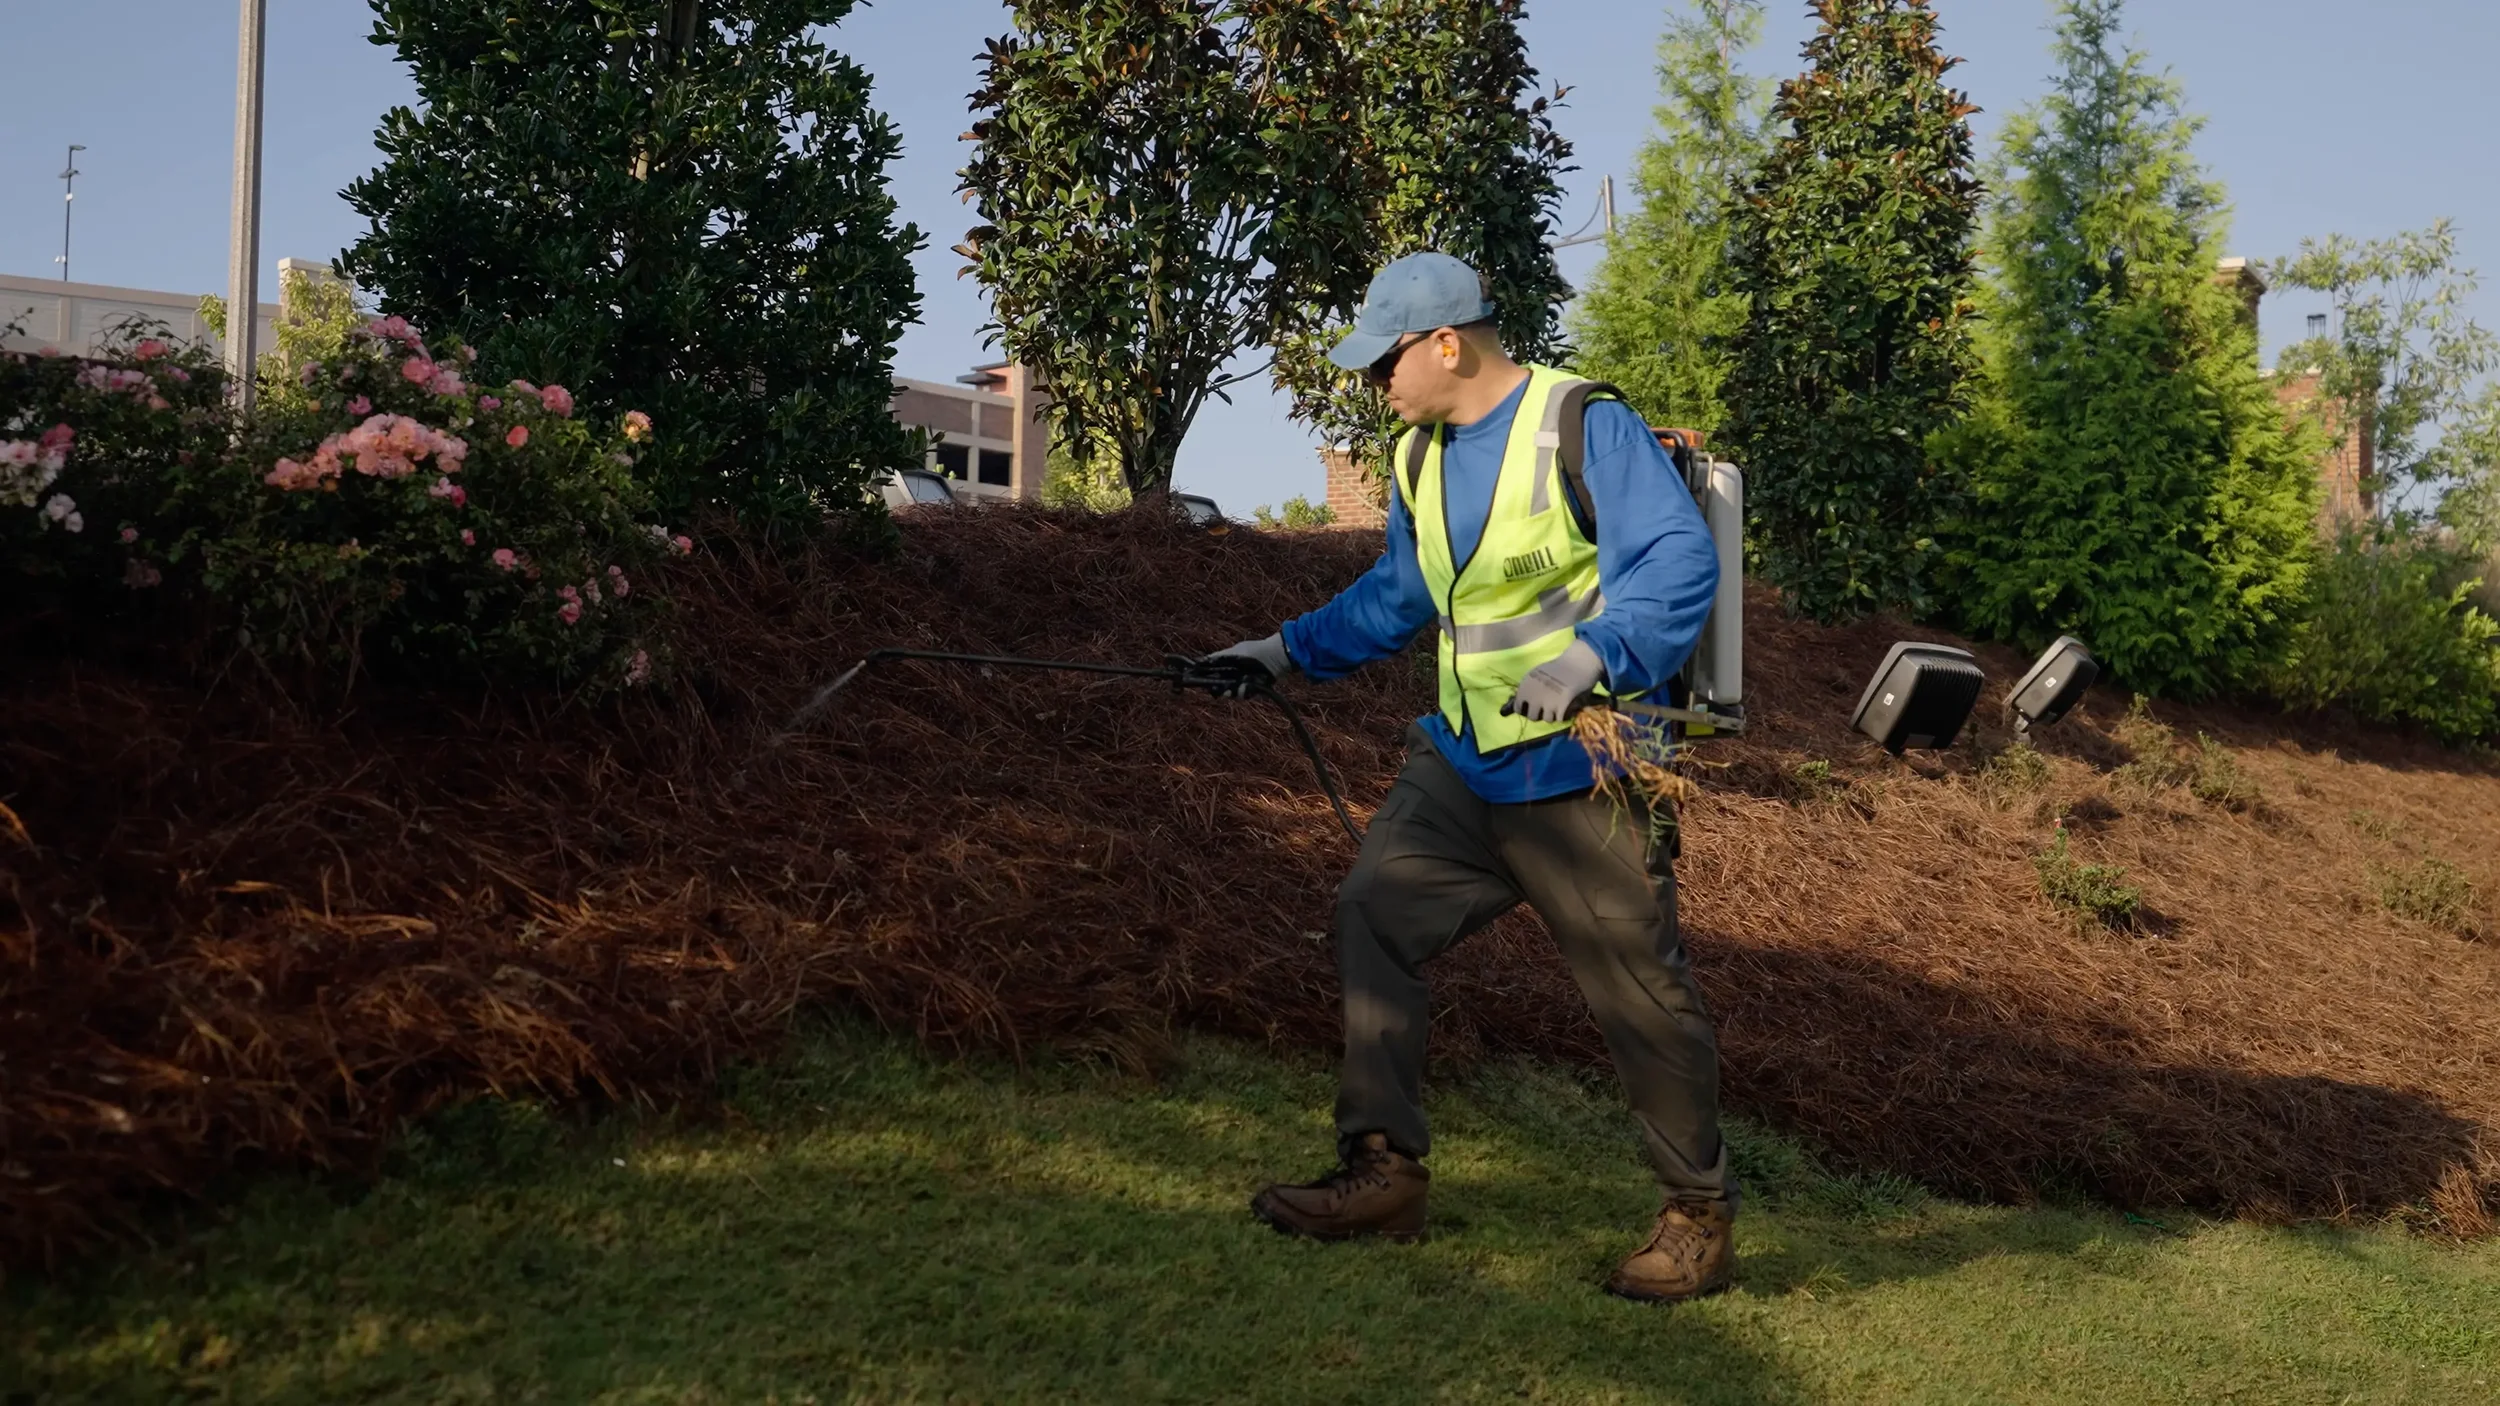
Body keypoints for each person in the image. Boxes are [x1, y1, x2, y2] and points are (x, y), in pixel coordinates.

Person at [1206, 251, 1735, 1303]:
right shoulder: (1417, 457)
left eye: (1381, 363)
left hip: (1583, 767)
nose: (1374, 384)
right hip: (1460, 761)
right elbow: (1400, 591)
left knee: (1639, 994)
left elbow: (1678, 560)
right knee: (1373, 913)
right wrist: (1277, 651)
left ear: (1445, 342)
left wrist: (1593, 655)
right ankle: (1384, 1173)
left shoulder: (1580, 423)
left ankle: (1697, 1213)